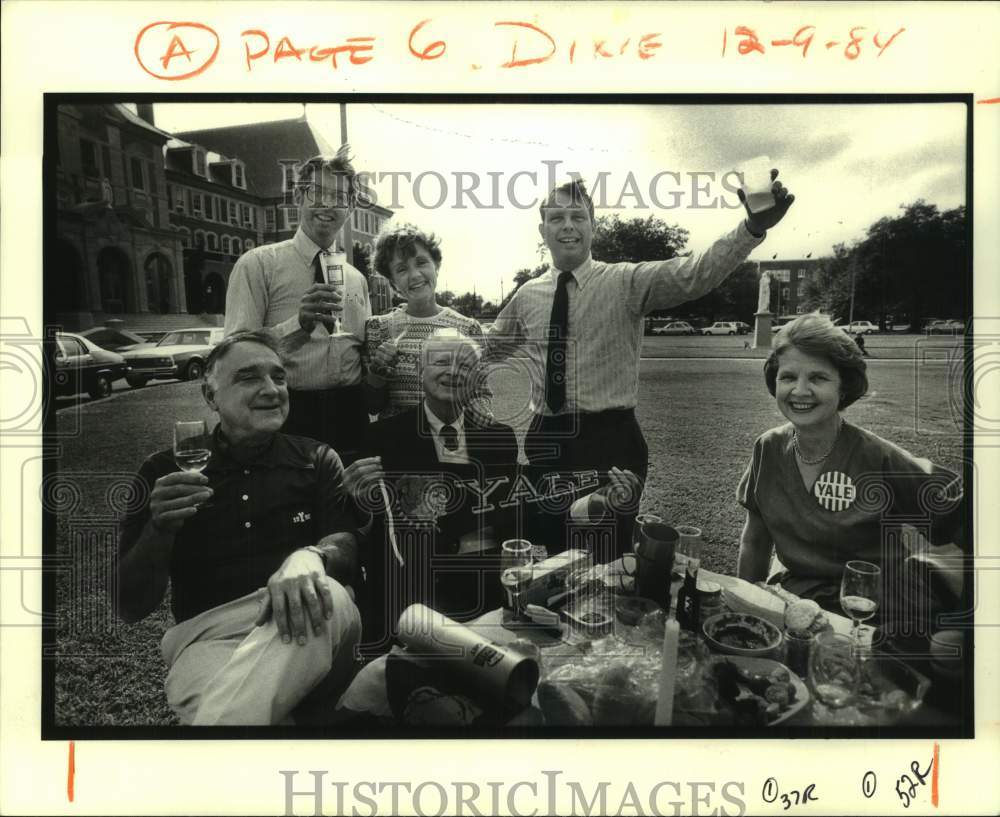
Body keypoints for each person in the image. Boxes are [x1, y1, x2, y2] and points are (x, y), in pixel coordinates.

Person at [487, 174, 794, 554]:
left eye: (578, 217)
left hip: (610, 444)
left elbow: (694, 273)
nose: (568, 226)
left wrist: (750, 228)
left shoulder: (625, 282)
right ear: (542, 230)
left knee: (604, 560)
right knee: (547, 556)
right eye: (557, 218)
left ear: (593, 227)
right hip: (545, 441)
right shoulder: (526, 295)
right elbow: (485, 349)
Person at [115, 330, 362, 725]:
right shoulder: (163, 472)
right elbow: (130, 606)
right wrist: (160, 529)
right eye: (249, 378)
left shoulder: (316, 458)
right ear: (210, 396)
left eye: (279, 377)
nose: (271, 389)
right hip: (208, 637)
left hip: (312, 621)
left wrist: (310, 557)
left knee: (325, 593)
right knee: (244, 714)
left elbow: (345, 550)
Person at [344, 329, 640, 655]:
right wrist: (358, 500)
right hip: (408, 600)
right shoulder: (382, 439)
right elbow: (365, 530)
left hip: (481, 598)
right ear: (420, 371)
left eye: (465, 365)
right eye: (441, 361)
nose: (453, 372)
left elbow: (520, 517)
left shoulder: (498, 437)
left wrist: (595, 504)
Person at [736, 313, 965, 632]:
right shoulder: (768, 448)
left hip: (883, 613)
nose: (800, 391)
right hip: (801, 603)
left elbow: (968, 525)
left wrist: (963, 626)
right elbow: (756, 541)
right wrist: (744, 608)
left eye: (818, 378)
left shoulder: (879, 457)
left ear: (844, 387)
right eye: (788, 377)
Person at [224, 148, 371, 463]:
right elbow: (232, 356)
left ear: (351, 208)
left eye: (340, 197)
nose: (328, 204)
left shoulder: (357, 279)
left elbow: (361, 352)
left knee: (349, 509)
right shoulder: (259, 264)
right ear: (298, 196)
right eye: (317, 192)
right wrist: (297, 325)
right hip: (287, 414)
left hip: (350, 417)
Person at [362, 223, 490, 420]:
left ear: (436, 265)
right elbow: (372, 406)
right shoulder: (378, 329)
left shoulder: (468, 329)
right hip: (399, 445)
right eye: (402, 269)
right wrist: (377, 373)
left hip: (450, 442)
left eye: (421, 262)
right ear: (393, 282)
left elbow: (481, 396)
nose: (414, 275)